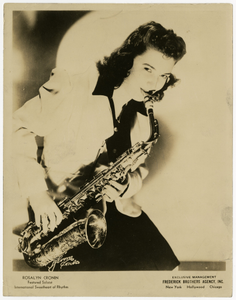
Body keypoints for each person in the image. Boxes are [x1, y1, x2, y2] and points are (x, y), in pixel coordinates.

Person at [13, 21, 186, 271]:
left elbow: (139, 168)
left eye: (163, 75)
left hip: (109, 212)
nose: (154, 84)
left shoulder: (143, 114)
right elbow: (16, 128)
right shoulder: (72, 86)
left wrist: (127, 185)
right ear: (128, 60)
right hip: (58, 215)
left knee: (169, 272)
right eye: (148, 69)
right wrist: (36, 194)